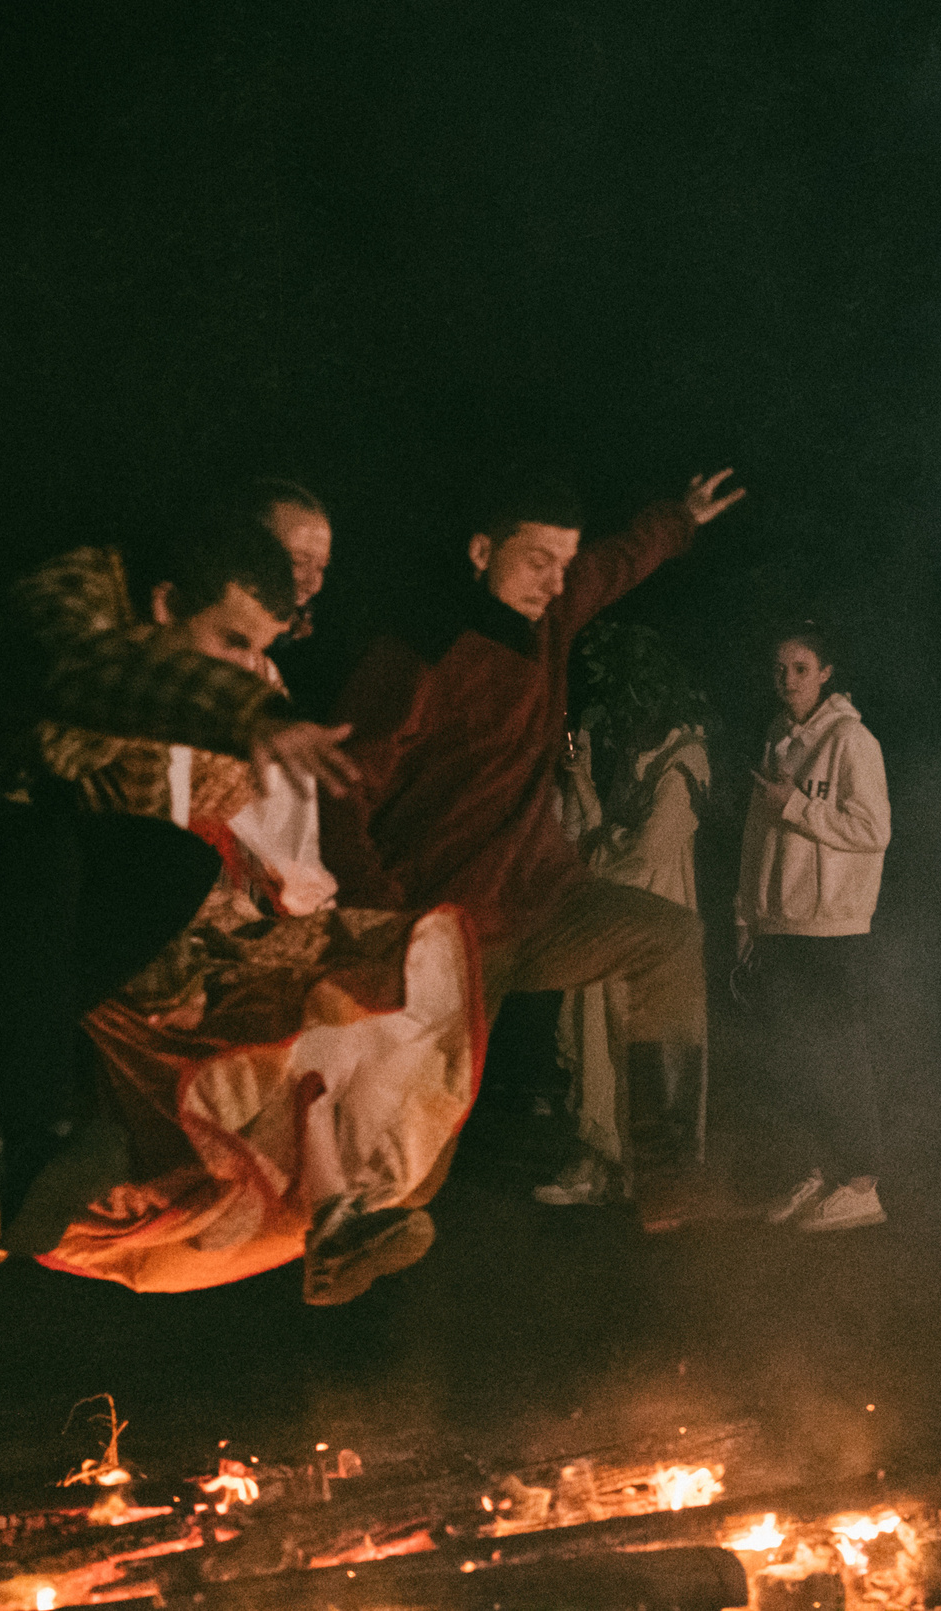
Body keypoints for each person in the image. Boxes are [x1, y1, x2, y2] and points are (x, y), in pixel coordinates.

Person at [0, 482, 360, 1247]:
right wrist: (250, 715)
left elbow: (139, 827)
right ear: (165, 603)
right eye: (231, 643)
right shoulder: (69, 595)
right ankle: (32, 1140)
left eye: (258, 654)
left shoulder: (150, 698)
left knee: (172, 862)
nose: (246, 670)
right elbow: (89, 672)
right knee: (39, 847)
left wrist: (173, 988)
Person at [9, 484, 481, 1301]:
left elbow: (275, 829)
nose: (306, 582)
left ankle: (335, 1211)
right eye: (293, 559)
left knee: (329, 1000)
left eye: (318, 566)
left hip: (212, 906)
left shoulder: (250, 678)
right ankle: (27, 1175)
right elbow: (117, 743)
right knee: (243, 1042)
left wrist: (300, 905)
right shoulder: (142, 665)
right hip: (134, 919)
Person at [318, 467, 746, 1206]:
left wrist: (681, 518)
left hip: (543, 902)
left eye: (562, 565)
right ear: (482, 551)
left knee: (669, 936)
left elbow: (614, 564)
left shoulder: (550, 621)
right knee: (414, 1161)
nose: (554, 582)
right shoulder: (418, 655)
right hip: (450, 935)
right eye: (537, 561)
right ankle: (360, 1229)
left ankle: (665, 1169)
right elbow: (339, 788)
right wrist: (377, 914)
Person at [539, 621, 713, 1207]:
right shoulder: (634, 758)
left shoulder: (685, 760)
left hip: (655, 918)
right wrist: (582, 781)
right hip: (617, 915)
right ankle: (602, 1160)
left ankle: (655, 1174)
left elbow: (646, 856)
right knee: (598, 1040)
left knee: (649, 1047)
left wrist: (600, 854)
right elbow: (599, 836)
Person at [737, 624, 892, 1233]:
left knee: (839, 1054)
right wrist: (747, 913)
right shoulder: (778, 736)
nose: (788, 681)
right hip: (781, 921)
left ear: (826, 673)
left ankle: (863, 1185)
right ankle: (821, 1170)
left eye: (801, 669)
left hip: (832, 926)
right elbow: (759, 834)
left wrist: (798, 806)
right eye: (780, 669)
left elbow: (874, 829)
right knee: (796, 1058)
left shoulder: (852, 740)